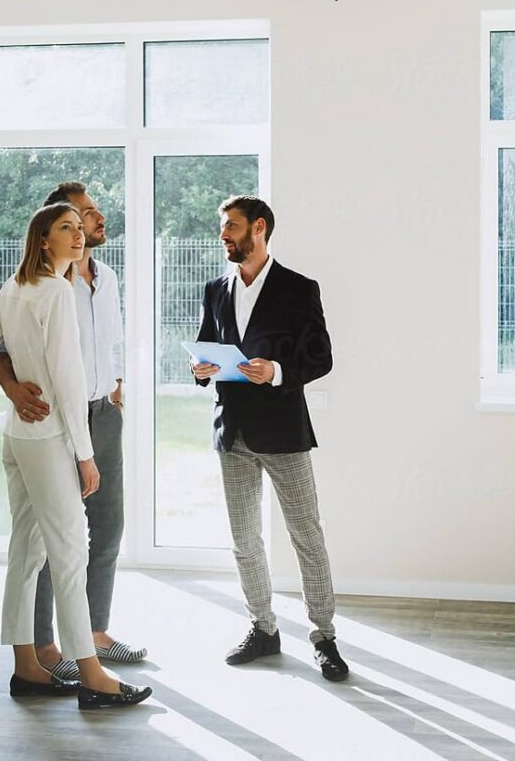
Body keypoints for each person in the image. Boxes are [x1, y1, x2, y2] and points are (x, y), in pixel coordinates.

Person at [0, 202, 152, 710]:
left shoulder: (16, 285)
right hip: (48, 439)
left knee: (26, 553)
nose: (77, 235)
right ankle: (92, 675)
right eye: (65, 229)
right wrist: (86, 456)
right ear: (44, 240)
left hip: (17, 436)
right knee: (71, 553)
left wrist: (16, 382)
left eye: (78, 228)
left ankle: (26, 667)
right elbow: (70, 384)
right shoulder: (56, 292)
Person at [191, 195, 349, 682]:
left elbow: (321, 358)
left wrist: (278, 371)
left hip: (283, 430)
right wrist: (200, 371)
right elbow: (205, 348)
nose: (224, 235)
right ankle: (262, 628)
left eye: (232, 227)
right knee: (244, 539)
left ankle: (324, 636)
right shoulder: (215, 289)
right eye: (223, 227)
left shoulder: (300, 289)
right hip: (232, 430)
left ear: (259, 229)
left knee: (307, 534)